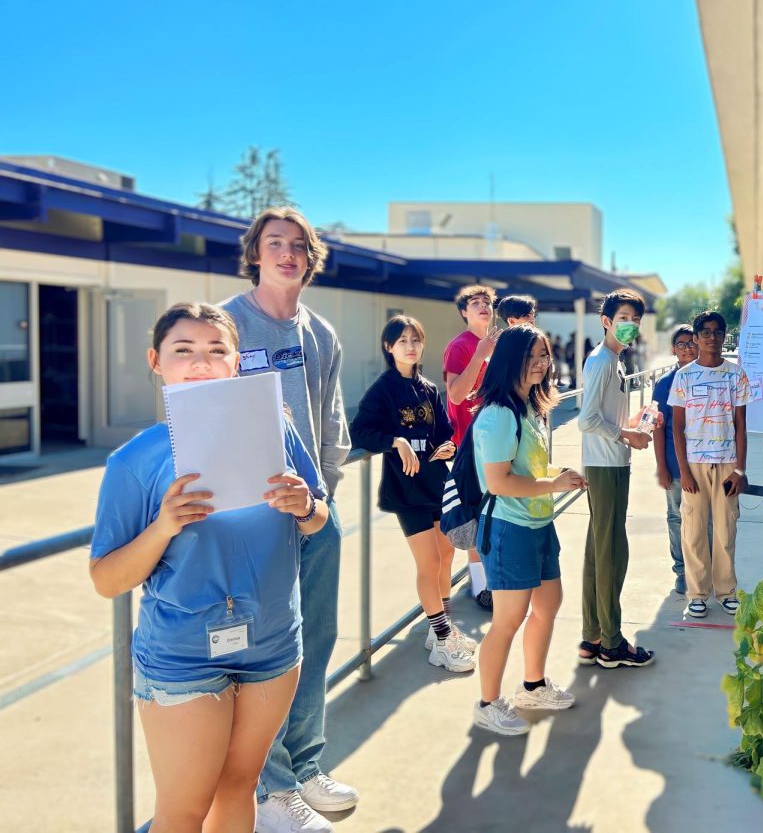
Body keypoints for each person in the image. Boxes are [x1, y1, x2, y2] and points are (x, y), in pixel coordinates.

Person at [89, 302, 329, 832]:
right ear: (157, 361)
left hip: (272, 644)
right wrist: (163, 526)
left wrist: (305, 507)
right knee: (183, 810)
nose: (202, 362)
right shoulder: (134, 461)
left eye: (217, 351)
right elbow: (107, 579)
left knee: (239, 786)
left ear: (236, 363)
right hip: (184, 655)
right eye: (184, 351)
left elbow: (320, 521)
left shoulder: (278, 432)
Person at [221, 207, 356, 832]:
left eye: (299, 245)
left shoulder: (321, 333)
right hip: (251, 520)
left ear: (310, 258)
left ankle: (304, 766)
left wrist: (324, 496)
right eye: (275, 243)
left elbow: (331, 423)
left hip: (313, 513)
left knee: (315, 641)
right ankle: (269, 790)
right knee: (265, 652)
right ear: (255, 253)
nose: (287, 254)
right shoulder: (227, 324)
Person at [471, 325, 588, 735]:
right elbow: (499, 482)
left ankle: (533, 685)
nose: (541, 364)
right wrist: (554, 485)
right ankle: (487, 702)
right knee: (508, 619)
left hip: (538, 522)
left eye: (544, 355)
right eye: (531, 356)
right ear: (509, 360)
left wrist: (558, 475)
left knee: (547, 605)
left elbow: (529, 470)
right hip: (509, 527)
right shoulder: (500, 414)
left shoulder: (528, 408)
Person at [349, 314, 476, 674]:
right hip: (406, 488)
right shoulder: (383, 388)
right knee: (429, 562)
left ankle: (442, 630)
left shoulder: (429, 388)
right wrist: (395, 440)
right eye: (402, 340)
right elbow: (360, 431)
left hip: (435, 481)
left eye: (415, 340)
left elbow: (446, 430)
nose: (410, 346)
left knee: (447, 554)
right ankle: (441, 641)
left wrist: (448, 446)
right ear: (389, 348)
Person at [577, 290, 656, 669]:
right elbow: (586, 420)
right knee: (611, 553)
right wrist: (626, 436)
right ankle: (611, 641)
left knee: (600, 550)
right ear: (606, 320)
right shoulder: (602, 362)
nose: (631, 326)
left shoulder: (615, 361)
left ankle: (592, 636)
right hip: (605, 466)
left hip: (611, 463)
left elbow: (605, 416)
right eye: (624, 317)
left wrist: (634, 425)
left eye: (636, 320)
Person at [669, 311, 751, 618]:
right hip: (695, 465)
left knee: (726, 530)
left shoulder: (736, 374)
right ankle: (697, 593)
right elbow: (677, 427)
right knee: (693, 531)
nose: (712, 338)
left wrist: (740, 470)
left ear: (724, 335)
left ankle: (726, 590)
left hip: (727, 464)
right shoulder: (684, 376)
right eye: (706, 332)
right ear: (696, 336)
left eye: (718, 332)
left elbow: (741, 424)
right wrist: (684, 471)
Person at [443, 284, 502, 613]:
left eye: (486, 303)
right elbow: (454, 395)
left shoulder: (496, 346)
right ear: (464, 312)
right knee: (475, 517)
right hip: (469, 446)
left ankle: (490, 579)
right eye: (475, 303)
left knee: (495, 513)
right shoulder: (461, 346)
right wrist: (479, 354)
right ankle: (481, 586)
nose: (482, 307)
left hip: (495, 440)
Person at [652, 324, 699, 594]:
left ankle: (702, 569)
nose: (687, 348)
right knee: (677, 517)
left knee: (705, 520)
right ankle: (681, 570)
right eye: (681, 344)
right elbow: (659, 426)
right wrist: (661, 467)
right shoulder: (665, 384)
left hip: (704, 464)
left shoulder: (708, 378)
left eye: (692, 342)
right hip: (674, 464)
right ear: (673, 350)